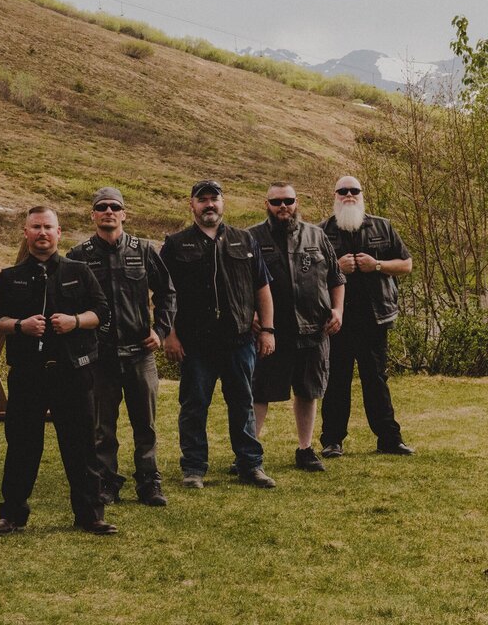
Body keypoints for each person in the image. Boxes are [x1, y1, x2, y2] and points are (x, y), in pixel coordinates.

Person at [0, 206, 117, 536]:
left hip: (72, 373)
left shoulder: (79, 271)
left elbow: (102, 311)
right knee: (22, 446)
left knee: (81, 446)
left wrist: (75, 322)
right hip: (28, 374)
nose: (42, 233)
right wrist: (19, 325)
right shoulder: (9, 276)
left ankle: (90, 514)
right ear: (25, 233)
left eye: (48, 227)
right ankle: (12, 515)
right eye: (35, 227)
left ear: (59, 233)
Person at [160, 180, 277, 489]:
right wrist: (168, 336)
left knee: (243, 403)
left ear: (223, 204)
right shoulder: (175, 244)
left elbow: (262, 288)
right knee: (194, 406)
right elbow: (162, 295)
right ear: (192, 205)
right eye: (203, 200)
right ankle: (194, 468)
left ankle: (250, 465)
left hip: (240, 341)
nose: (209, 205)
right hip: (196, 345)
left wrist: (267, 329)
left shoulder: (245, 240)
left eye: (214, 199)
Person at [68, 187, 175, 506]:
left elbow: (167, 293)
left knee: (147, 423)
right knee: (102, 426)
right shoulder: (79, 255)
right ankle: (106, 482)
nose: (109, 211)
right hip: (100, 356)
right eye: (101, 207)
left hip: (140, 353)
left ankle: (149, 482)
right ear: (93, 215)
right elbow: (70, 301)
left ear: (124, 213)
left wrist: (161, 330)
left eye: (115, 206)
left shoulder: (143, 250)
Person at [247, 183, 345, 472]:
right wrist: (252, 315)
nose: (283, 206)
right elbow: (242, 283)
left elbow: (337, 278)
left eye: (288, 200)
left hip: (313, 329)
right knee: (260, 391)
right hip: (272, 331)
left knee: (308, 390)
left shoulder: (317, 235)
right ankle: (250, 452)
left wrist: (338, 310)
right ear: (266, 203)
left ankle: (305, 449)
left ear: (296, 202)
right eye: (276, 201)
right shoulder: (252, 237)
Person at [319, 176, 415, 457]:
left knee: (376, 379)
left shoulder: (383, 226)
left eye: (354, 190)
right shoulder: (321, 231)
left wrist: (377, 265)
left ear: (362, 194)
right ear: (335, 195)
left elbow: (406, 264)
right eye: (343, 191)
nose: (349, 195)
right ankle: (332, 441)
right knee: (336, 380)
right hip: (336, 319)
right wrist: (336, 267)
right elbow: (308, 274)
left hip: (375, 318)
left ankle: (389, 439)